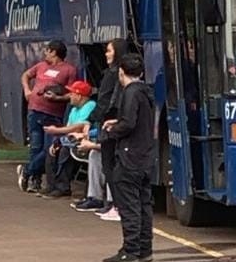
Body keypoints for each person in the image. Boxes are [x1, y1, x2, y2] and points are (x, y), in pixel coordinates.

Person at [103, 53, 155, 262]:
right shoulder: (145, 92)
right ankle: (144, 249)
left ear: (121, 72)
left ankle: (131, 250)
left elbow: (129, 123)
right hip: (145, 156)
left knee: (129, 206)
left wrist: (111, 131)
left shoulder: (129, 93)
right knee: (144, 205)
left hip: (129, 156)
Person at [17, 39, 77, 193]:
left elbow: (72, 93)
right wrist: (27, 90)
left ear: (54, 52)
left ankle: (27, 170)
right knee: (35, 146)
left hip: (53, 114)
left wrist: (58, 98)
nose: (45, 53)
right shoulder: (40, 66)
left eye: (47, 50)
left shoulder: (69, 70)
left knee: (48, 148)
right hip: (34, 110)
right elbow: (25, 75)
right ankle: (34, 180)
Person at [85, 38, 127, 218]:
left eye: (109, 51)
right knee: (107, 163)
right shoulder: (112, 73)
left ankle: (117, 204)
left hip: (109, 124)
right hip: (107, 122)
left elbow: (107, 101)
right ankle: (114, 204)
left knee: (109, 164)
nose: (106, 54)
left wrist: (94, 118)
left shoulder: (114, 74)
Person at [40, 80, 96, 198]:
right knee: (52, 149)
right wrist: (57, 141)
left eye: (72, 93)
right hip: (71, 138)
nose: (69, 96)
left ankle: (63, 187)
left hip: (85, 139)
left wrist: (57, 131)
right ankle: (51, 185)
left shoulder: (90, 106)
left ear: (79, 96)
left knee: (65, 150)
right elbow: (68, 127)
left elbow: (79, 127)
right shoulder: (74, 109)